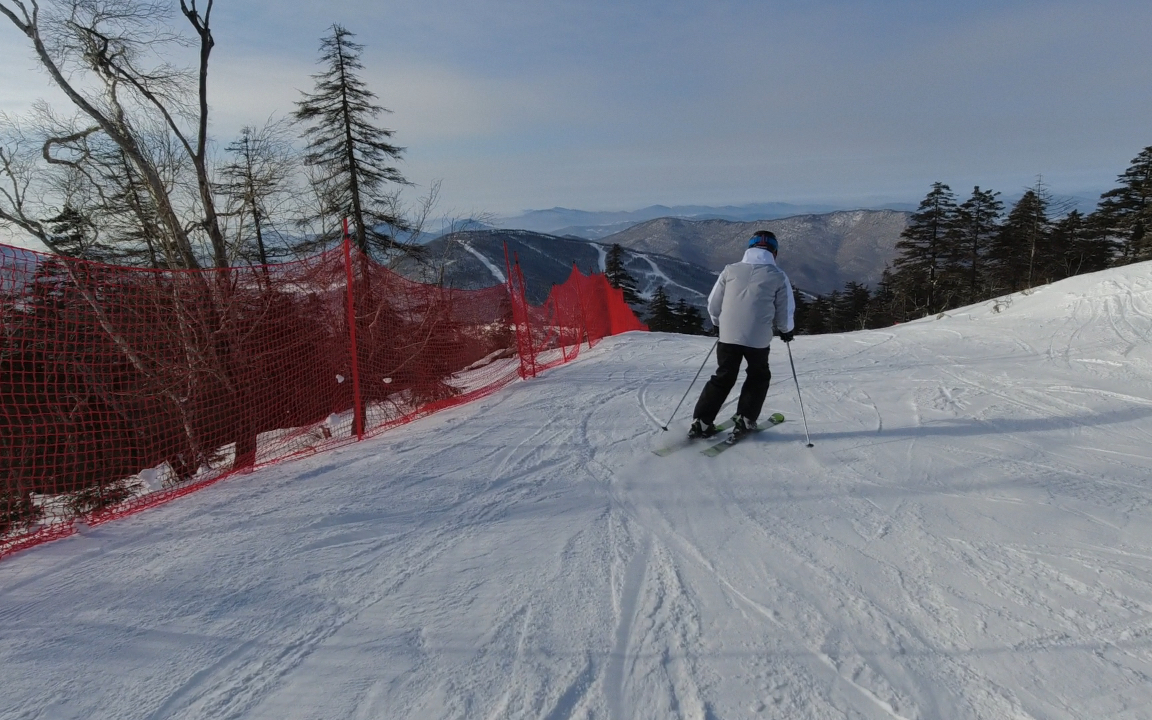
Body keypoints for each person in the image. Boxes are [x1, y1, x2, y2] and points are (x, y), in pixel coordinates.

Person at [689, 230, 795, 440]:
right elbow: (785, 309)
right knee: (758, 376)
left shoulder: (730, 270)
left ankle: (701, 423)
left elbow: (713, 303)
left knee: (723, 377)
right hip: (757, 339)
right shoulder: (777, 276)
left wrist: (718, 323)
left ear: (749, 248)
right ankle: (745, 420)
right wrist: (786, 331)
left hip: (728, 336)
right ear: (774, 252)